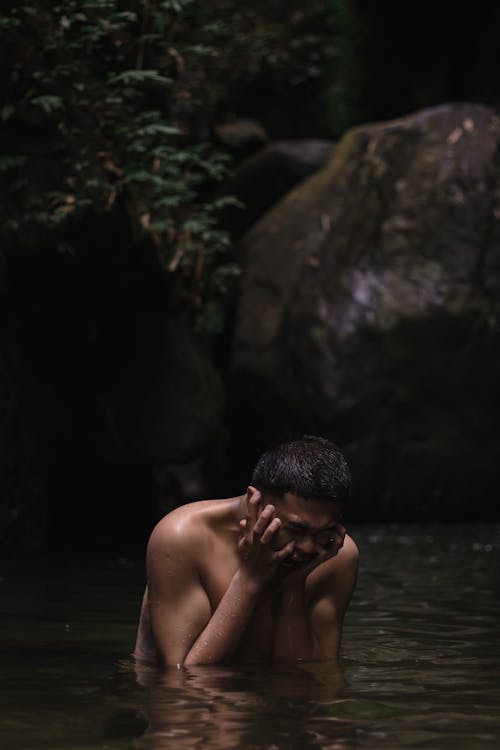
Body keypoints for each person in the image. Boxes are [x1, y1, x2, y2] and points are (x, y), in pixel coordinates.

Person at [134, 435, 359, 667]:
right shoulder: (183, 537)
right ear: (255, 501)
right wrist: (249, 578)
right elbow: (184, 677)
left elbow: (310, 675)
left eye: (323, 531)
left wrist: (294, 585)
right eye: (296, 529)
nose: (308, 546)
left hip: (270, 694)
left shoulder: (336, 554)